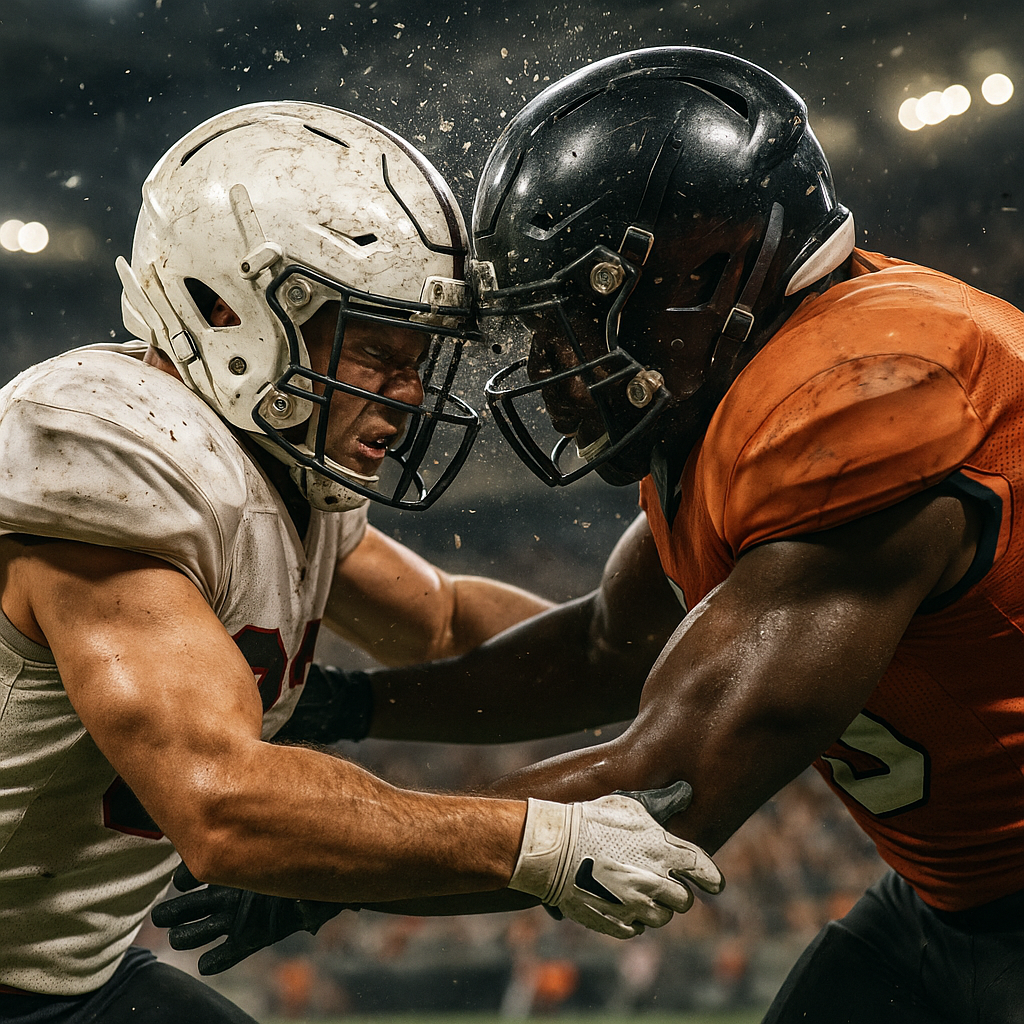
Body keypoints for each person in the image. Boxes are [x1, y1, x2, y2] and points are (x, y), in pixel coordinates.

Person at [158, 49, 1024, 1022]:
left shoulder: (872, 389)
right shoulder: (749, 393)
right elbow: (602, 650)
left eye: (572, 321)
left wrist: (332, 867)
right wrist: (341, 705)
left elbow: (664, 790)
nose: (551, 368)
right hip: (945, 903)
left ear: (702, 271)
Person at [0, 100, 725, 1024]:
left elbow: (446, 623)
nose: (412, 392)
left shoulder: (272, 468)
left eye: (421, 356)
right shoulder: (106, 453)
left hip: (63, 975)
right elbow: (219, 803)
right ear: (226, 310)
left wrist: (699, 665)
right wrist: (532, 840)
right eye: (381, 350)